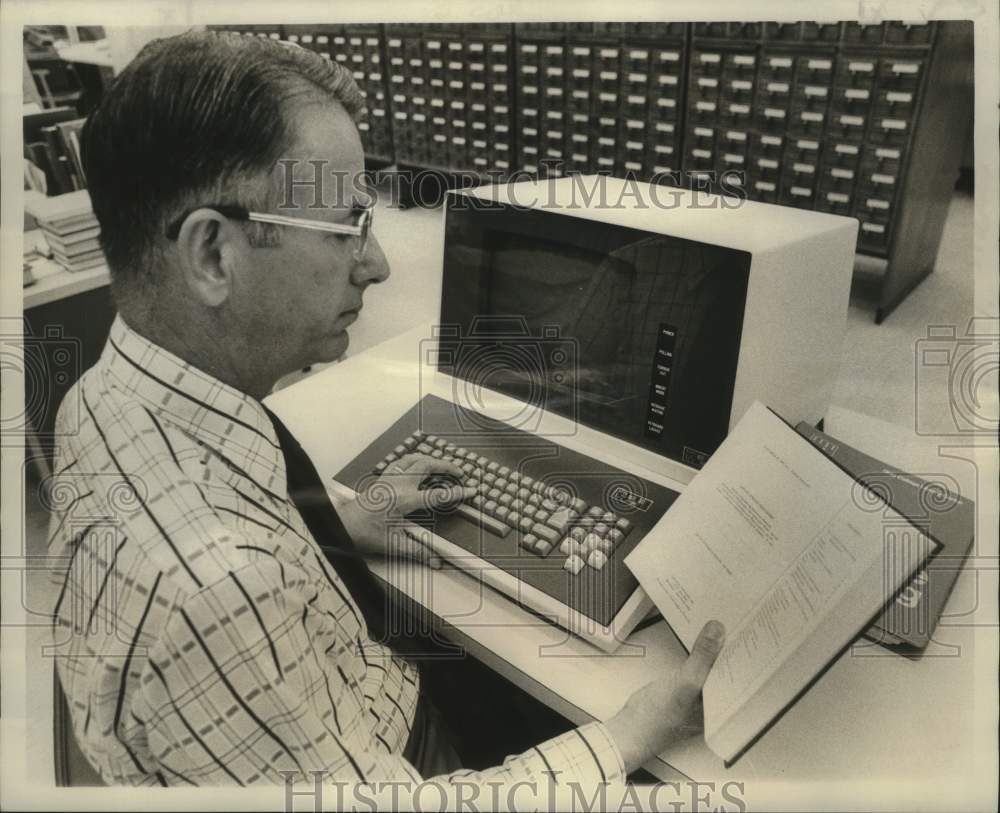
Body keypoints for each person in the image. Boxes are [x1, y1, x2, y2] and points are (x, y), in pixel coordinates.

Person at [47, 29, 724, 788]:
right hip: (399, 751)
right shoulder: (214, 591)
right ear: (212, 255)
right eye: (346, 228)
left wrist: (345, 520)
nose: (380, 264)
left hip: (334, 695)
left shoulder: (108, 393)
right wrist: (630, 735)